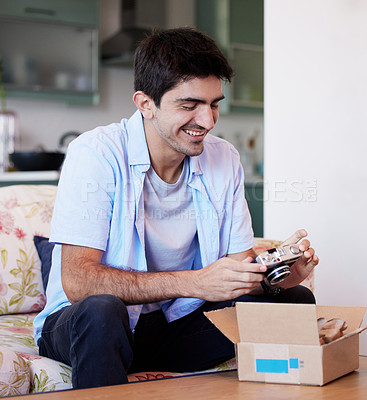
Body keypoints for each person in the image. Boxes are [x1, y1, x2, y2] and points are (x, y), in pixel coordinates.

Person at [34, 27, 319, 389]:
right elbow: (78, 283)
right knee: (103, 310)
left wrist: (275, 280)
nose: (208, 121)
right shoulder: (96, 154)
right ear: (145, 104)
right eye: (189, 105)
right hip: (87, 328)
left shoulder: (224, 159)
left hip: (170, 330)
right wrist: (195, 282)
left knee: (295, 300)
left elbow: (237, 271)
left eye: (214, 103)